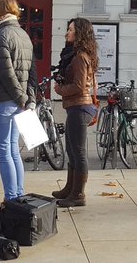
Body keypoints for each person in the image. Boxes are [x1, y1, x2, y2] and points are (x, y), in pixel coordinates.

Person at [0, 0, 34, 201]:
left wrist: (21, 98)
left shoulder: (1, 35)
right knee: (13, 151)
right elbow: (31, 72)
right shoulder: (23, 34)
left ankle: (12, 198)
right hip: (18, 102)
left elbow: (6, 73)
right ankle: (18, 195)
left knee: (4, 153)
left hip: (3, 101)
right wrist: (29, 100)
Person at [52, 18, 99, 208]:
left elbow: (79, 86)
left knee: (78, 151)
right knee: (71, 149)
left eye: (70, 30)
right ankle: (70, 189)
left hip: (80, 107)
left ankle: (78, 194)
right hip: (77, 107)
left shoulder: (80, 57)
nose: (67, 33)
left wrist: (60, 89)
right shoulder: (81, 54)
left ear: (79, 33)